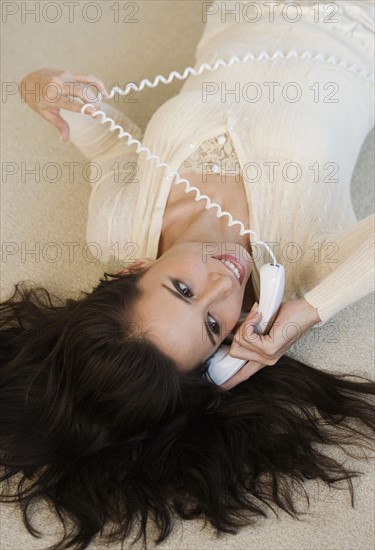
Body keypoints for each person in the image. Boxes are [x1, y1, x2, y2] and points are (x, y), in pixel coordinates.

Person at [1, 1, 374, 549]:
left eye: (181, 289)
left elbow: (105, 141)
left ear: (134, 269)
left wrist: (43, 87)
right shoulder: (294, 271)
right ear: (224, 357)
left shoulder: (118, 231)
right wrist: (314, 308)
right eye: (212, 327)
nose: (223, 283)